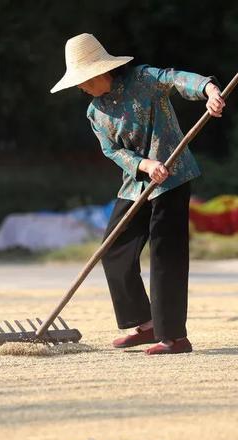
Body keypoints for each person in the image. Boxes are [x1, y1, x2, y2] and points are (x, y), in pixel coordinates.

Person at [50, 33, 225, 355]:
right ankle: (146, 325)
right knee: (114, 250)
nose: (81, 88)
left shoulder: (143, 79)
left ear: (100, 73)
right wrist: (144, 165)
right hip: (136, 184)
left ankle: (174, 337)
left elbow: (175, 79)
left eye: (84, 81)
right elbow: (111, 150)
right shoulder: (94, 111)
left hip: (173, 178)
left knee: (165, 255)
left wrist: (209, 90)